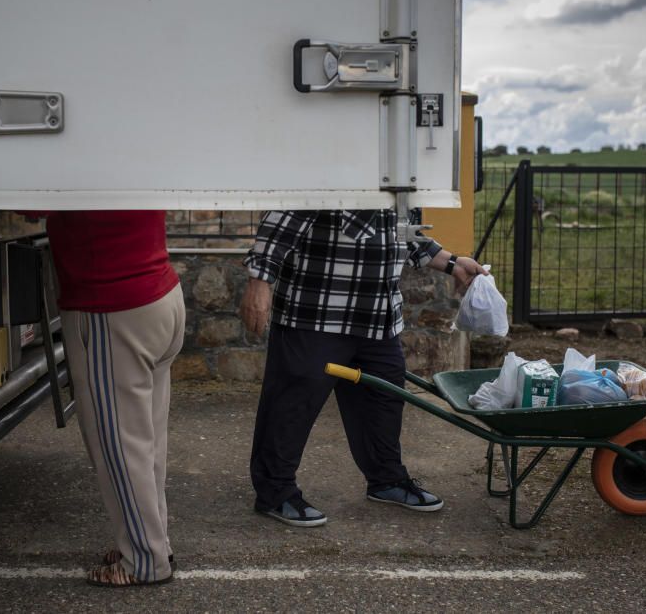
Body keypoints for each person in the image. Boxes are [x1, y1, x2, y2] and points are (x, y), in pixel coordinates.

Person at [239, 209, 486, 526]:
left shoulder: (396, 174)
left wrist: (453, 264)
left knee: (382, 401)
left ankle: (387, 481)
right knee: (292, 404)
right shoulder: (334, 167)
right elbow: (281, 220)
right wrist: (259, 282)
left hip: (377, 320)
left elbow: (402, 234)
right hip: (317, 315)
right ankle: (275, 493)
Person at [43, 210, 185, 586]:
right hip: (160, 296)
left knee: (120, 447)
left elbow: (29, 201)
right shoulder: (126, 153)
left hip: (113, 305)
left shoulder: (80, 159)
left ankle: (145, 560)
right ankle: (152, 541)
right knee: (146, 442)